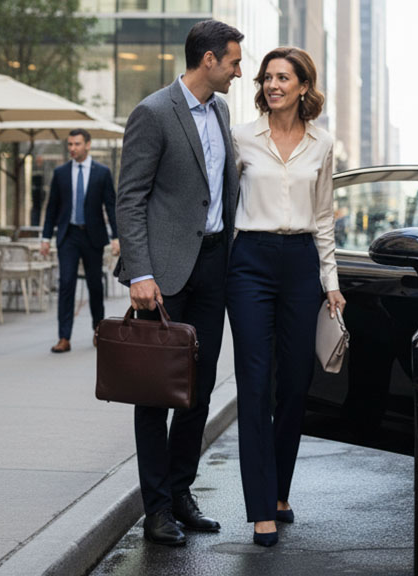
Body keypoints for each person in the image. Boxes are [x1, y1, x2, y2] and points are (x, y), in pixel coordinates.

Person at [115, 19, 243, 547]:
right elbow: (131, 198)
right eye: (234, 61)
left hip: (215, 266)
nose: (240, 70)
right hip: (164, 277)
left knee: (201, 385)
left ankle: (182, 491)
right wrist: (140, 271)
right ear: (208, 60)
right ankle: (157, 508)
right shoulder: (152, 112)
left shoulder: (222, 110)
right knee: (155, 390)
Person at [229, 46, 345, 547]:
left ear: (303, 87)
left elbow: (323, 217)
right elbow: (221, 205)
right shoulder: (240, 137)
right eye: (268, 77)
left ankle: (280, 491)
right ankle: (261, 508)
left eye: (284, 77)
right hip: (249, 262)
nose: (273, 84)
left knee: (295, 384)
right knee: (255, 384)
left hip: (300, 263)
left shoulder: (322, 144)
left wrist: (332, 282)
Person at [41, 128, 118, 353]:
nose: (72, 148)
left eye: (77, 144)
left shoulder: (102, 173)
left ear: (88, 145)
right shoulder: (61, 173)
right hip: (69, 235)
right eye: (70, 145)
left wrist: (116, 237)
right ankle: (64, 337)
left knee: (95, 285)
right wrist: (45, 238)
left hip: (93, 235)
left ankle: (98, 330)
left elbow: (110, 206)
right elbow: (52, 208)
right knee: (66, 284)